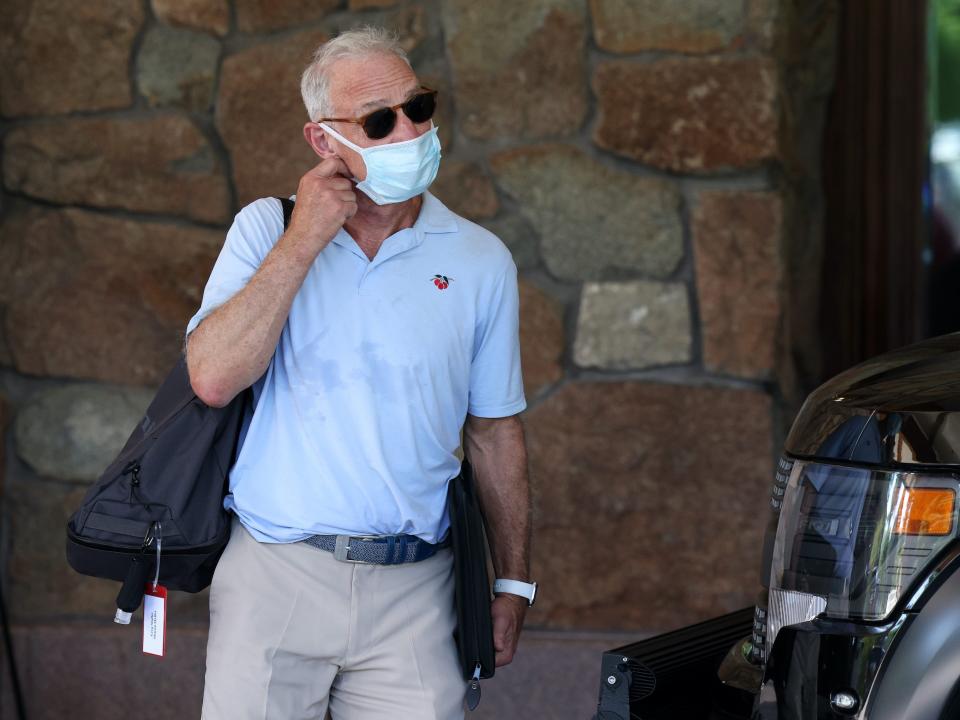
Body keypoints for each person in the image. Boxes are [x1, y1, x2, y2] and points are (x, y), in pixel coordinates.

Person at [185, 26, 536, 720]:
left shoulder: (480, 258)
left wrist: (516, 582)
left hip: (417, 592)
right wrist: (306, 236)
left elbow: (495, 431)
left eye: (419, 106)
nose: (409, 130)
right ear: (323, 141)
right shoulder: (265, 230)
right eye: (380, 120)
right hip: (275, 575)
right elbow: (214, 377)